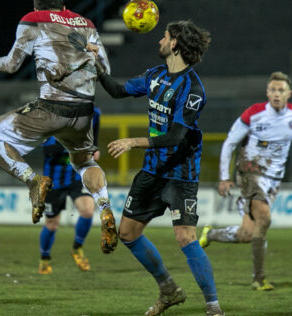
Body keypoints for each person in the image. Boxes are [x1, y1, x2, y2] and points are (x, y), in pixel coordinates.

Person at [0, 0, 118, 254]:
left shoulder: (33, 19)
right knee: (84, 162)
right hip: (84, 111)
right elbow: (105, 69)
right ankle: (105, 207)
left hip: (52, 107)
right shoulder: (86, 23)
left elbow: (11, 65)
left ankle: (33, 182)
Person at [96, 20, 224, 316]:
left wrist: (133, 141)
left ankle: (213, 307)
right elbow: (116, 90)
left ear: (176, 43)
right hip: (152, 172)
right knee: (126, 233)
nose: (160, 41)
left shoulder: (193, 89)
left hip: (181, 174)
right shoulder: (154, 75)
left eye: (164, 37)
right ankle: (169, 290)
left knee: (185, 236)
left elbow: (175, 137)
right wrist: (98, 68)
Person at [199, 71, 292, 291]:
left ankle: (212, 234)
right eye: (273, 90)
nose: (276, 94)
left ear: (289, 94)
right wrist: (224, 177)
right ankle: (259, 279)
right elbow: (229, 143)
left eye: (281, 90)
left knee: (247, 233)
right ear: (267, 92)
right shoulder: (253, 114)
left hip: (273, 179)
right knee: (264, 217)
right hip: (249, 172)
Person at [38, 107, 100, 274]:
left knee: (87, 210)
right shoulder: (52, 118)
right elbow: (47, 150)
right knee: (52, 224)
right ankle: (44, 258)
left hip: (75, 176)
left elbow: (95, 133)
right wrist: (75, 146)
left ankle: (77, 248)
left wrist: (94, 148)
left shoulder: (93, 113)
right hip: (53, 181)